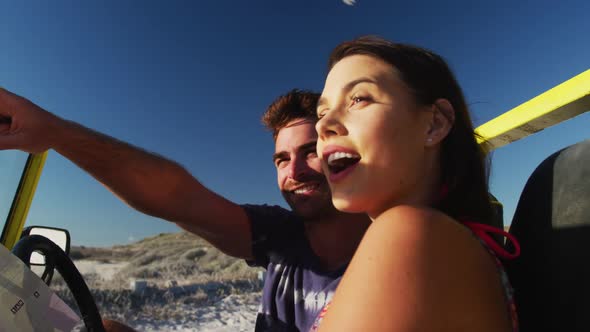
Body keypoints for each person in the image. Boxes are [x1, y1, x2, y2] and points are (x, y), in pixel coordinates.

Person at [0, 88, 370, 331]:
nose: (294, 172)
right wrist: (56, 133)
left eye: (309, 152)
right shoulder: (281, 235)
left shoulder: (395, 246)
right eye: (281, 160)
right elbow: (177, 196)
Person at [309, 36, 520, 331]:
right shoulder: (449, 243)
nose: (322, 125)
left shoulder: (408, 231)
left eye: (359, 98)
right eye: (321, 113)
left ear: (435, 124)